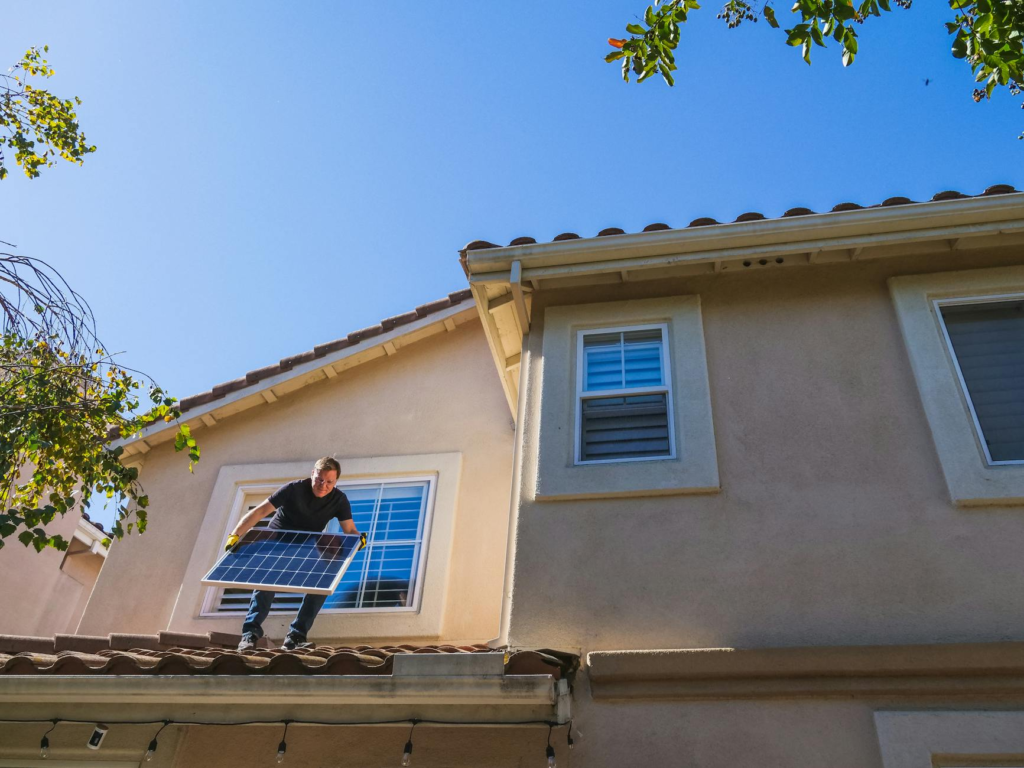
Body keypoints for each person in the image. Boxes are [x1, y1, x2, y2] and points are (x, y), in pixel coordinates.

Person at [225, 457, 361, 651]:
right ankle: (250, 634)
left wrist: (358, 540)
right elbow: (259, 512)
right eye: (320, 480)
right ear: (312, 474)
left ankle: (296, 636)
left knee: (323, 582)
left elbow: (350, 530)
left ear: (336, 481)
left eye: (329, 482)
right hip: (278, 542)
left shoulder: (339, 499)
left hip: (306, 546)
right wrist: (235, 535)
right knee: (266, 583)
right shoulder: (293, 489)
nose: (323, 485)